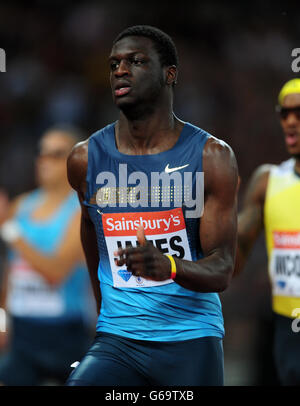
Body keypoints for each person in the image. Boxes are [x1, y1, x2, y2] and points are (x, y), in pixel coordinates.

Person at [66, 25, 239, 386]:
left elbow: (222, 268)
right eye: (114, 64)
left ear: (169, 74)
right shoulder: (85, 159)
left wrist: (169, 266)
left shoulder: (212, 157)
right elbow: (91, 233)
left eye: (136, 61)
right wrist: (107, 315)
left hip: (190, 338)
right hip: (117, 340)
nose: (120, 71)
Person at [0, 125, 96, 386]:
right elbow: (12, 273)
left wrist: (9, 230)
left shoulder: (80, 212)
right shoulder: (21, 205)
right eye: (41, 152)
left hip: (64, 333)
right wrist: (2, 323)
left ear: (76, 161)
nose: (44, 160)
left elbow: (56, 273)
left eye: (55, 154)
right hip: (22, 332)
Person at [235, 78, 300, 385]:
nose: (290, 122)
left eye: (299, 113)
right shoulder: (267, 181)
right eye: (284, 113)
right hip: (286, 329)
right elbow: (230, 263)